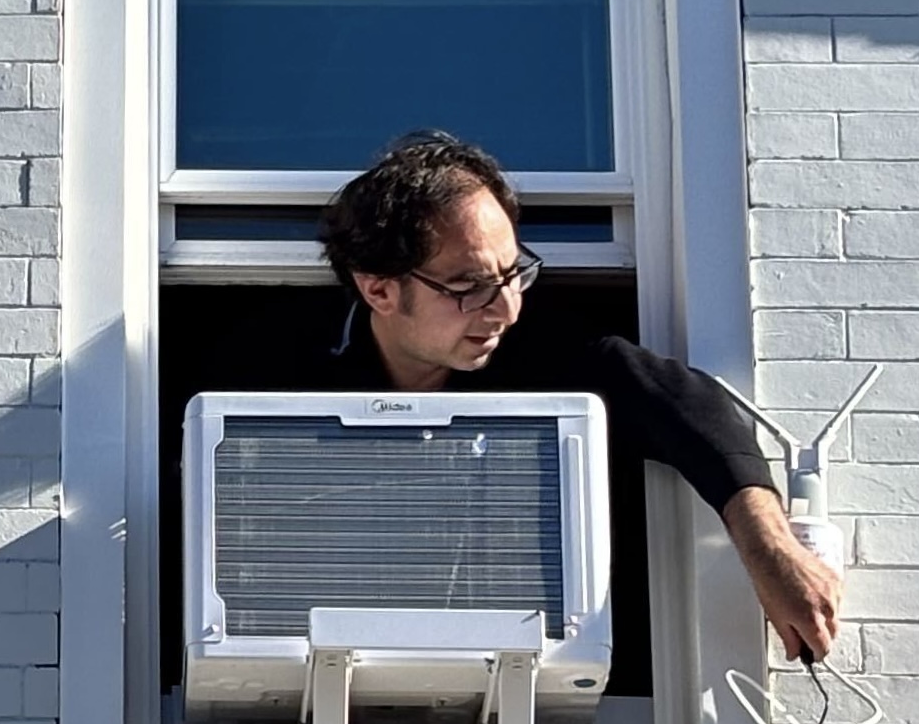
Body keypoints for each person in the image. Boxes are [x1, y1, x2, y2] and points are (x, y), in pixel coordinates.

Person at [316, 129, 842, 661]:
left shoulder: (548, 350)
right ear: (378, 289)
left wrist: (771, 549)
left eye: (514, 272)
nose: (505, 310)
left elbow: (688, 407)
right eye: (469, 286)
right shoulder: (283, 366)